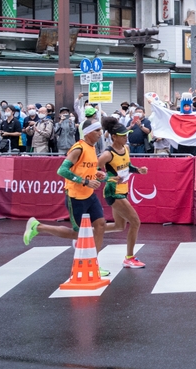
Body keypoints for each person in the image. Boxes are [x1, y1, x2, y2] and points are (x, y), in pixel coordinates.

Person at [23, 117, 110, 277]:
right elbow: (61, 171)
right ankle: (38, 227)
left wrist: (97, 175)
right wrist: (85, 181)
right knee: (78, 234)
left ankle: (94, 264)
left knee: (101, 225)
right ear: (89, 132)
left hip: (89, 196)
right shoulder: (78, 148)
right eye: (97, 130)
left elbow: (86, 170)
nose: (100, 133)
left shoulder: (92, 148)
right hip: (75, 196)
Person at [98, 117, 147, 269]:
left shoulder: (126, 148)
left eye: (127, 134)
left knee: (120, 226)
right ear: (114, 137)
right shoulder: (107, 154)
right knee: (135, 222)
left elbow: (127, 166)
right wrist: (110, 178)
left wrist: (138, 170)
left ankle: (86, 233)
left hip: (123, 190)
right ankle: (130, 258)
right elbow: (95, 171)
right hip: (113, 192)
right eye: (123, 135)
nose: (126, 137)